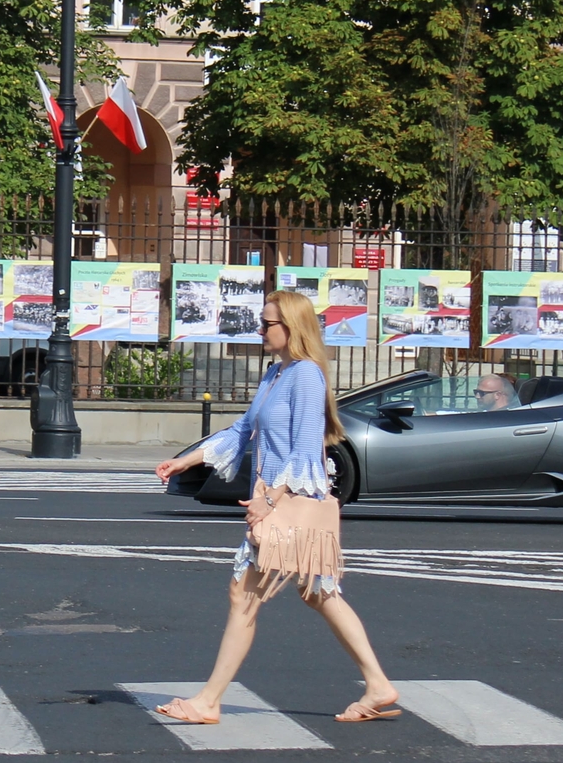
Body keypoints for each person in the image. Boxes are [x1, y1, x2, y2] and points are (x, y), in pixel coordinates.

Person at [152, 288, 398, 725]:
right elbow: (242, 429)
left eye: (268, 324)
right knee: (319, 593)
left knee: (244, 595)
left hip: (291, 500)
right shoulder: (276, 374)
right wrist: (185, 459)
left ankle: (209, 701)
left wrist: (268, 500)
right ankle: (377, 684)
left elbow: (305, 449)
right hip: (285, 498)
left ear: (292, 327)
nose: (260, 329)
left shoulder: (306, 375)